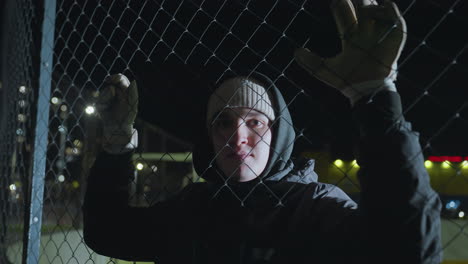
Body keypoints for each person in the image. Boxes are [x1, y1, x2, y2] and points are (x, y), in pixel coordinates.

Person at [83, 0, 442, 263]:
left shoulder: (314, 207)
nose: (238, 136)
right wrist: (116, 147)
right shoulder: (194, 208)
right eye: (223, 121)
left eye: (255, 121)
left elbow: (409, 249)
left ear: (278, 134)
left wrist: (374, 96)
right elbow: (108, 232)